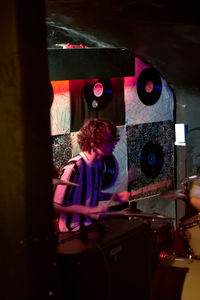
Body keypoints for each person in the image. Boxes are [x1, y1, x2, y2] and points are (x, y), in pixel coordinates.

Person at [53, 118, 131, 233]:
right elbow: (56, 203)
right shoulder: (74, 167)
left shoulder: (99, 165)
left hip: (90, 227)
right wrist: (89, 211)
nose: (114, 143)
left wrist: (114, 197)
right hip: (72, 232)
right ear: (93, 141)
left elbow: (90, 193)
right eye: (109, 140)